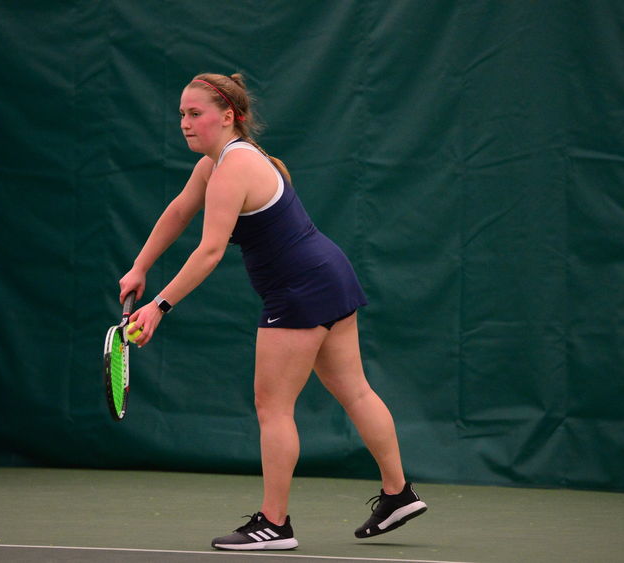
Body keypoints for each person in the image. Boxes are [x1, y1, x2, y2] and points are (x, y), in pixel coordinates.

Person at [119, 72, 427, 550]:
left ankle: (274, 524)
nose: (184, 122)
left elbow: (209, 251)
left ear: (228, 116)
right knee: (355, 391)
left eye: (194, 113)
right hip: (329, 272)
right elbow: (180, 211)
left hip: (299, 289)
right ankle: (398, 492)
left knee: (273, 406)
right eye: (181, 113)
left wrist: (160, 305)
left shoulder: (233, 168)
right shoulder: (215, 163)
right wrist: (140, 266)